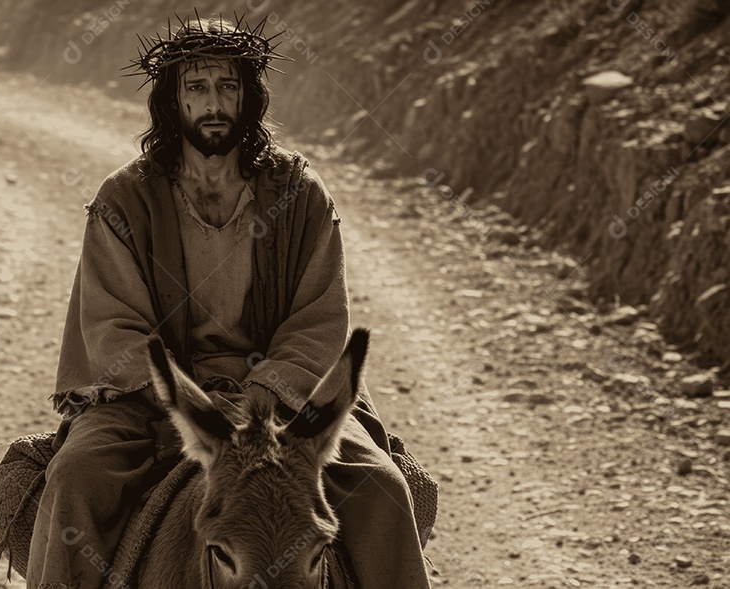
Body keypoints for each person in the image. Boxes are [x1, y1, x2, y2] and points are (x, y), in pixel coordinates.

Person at [27, 14, 432, 589]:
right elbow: (114, 324)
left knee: (384, 490)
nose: (213, 103)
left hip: (286, 403)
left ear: (250, 96)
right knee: (74, 480)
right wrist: (185, 405)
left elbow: (318, 320)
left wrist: (259, 403)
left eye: (228, 86)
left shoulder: (300, 194)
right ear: (173, 101)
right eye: (196, 88)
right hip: (158, 399)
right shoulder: (124, 198)